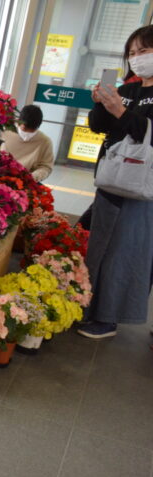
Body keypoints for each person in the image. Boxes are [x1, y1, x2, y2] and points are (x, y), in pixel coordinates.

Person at [82, 25, 153, 339]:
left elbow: (144, 132)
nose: (138, 58)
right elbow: (98, 126)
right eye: (133, 53)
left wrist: (121, 112)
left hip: (142, 188)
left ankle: (109, 317)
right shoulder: (129, 89)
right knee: (101, 248)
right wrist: (101, 101)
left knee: (126, 252)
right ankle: (91, 309)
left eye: (145, 51)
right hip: (111, 179)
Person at [1, 105, 53, 181]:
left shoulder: (45, 142)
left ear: (38, 126)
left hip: (26, 180)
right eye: (24, 128)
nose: (27, 133)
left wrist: (32, 177)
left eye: (32, 130)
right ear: (18, 121)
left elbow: (46, 167)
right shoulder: (5, 132)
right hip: (0, 175)